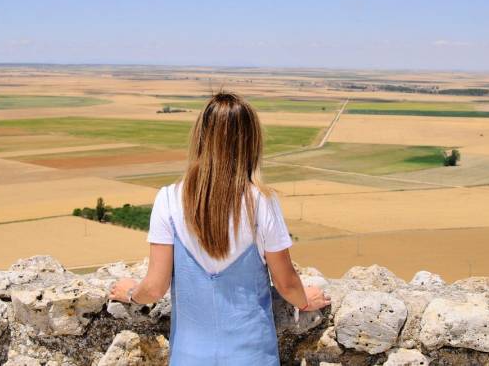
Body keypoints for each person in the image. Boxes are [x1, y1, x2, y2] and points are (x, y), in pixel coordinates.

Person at [109, 92, 330, 365]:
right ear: (251, 141)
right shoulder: (262, 202)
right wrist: (304, 300)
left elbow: (154, 288)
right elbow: (285, 282)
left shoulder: (167, 199)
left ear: (200, 137)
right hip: (253, 356)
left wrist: (130, 293)